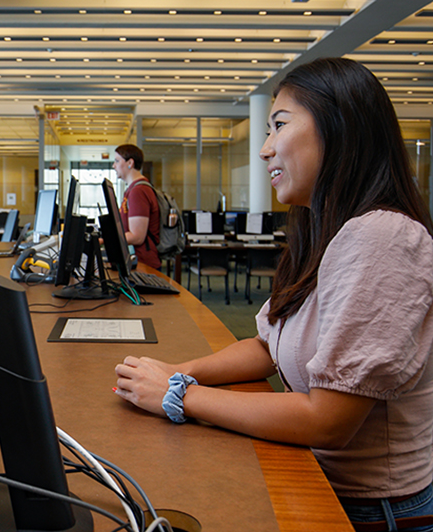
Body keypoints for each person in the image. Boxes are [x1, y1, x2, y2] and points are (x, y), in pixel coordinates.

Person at [114, 57, 433, 531]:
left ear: (338, 129)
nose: (264, 149)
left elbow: (328, 420)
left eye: (278, 126)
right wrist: (177, 371)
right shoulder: (328, 233)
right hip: (321, 481)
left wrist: (180, 395)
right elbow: (265, 344)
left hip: (370, 511)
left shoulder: (381, 237)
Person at [112, 144, 161, 269]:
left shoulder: (138, 191)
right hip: (137, 262)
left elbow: (137, 236)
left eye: (117, 161)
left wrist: (107, 239)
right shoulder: (133, 189)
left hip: (143, 264)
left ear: (130, 163)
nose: (114, 166)